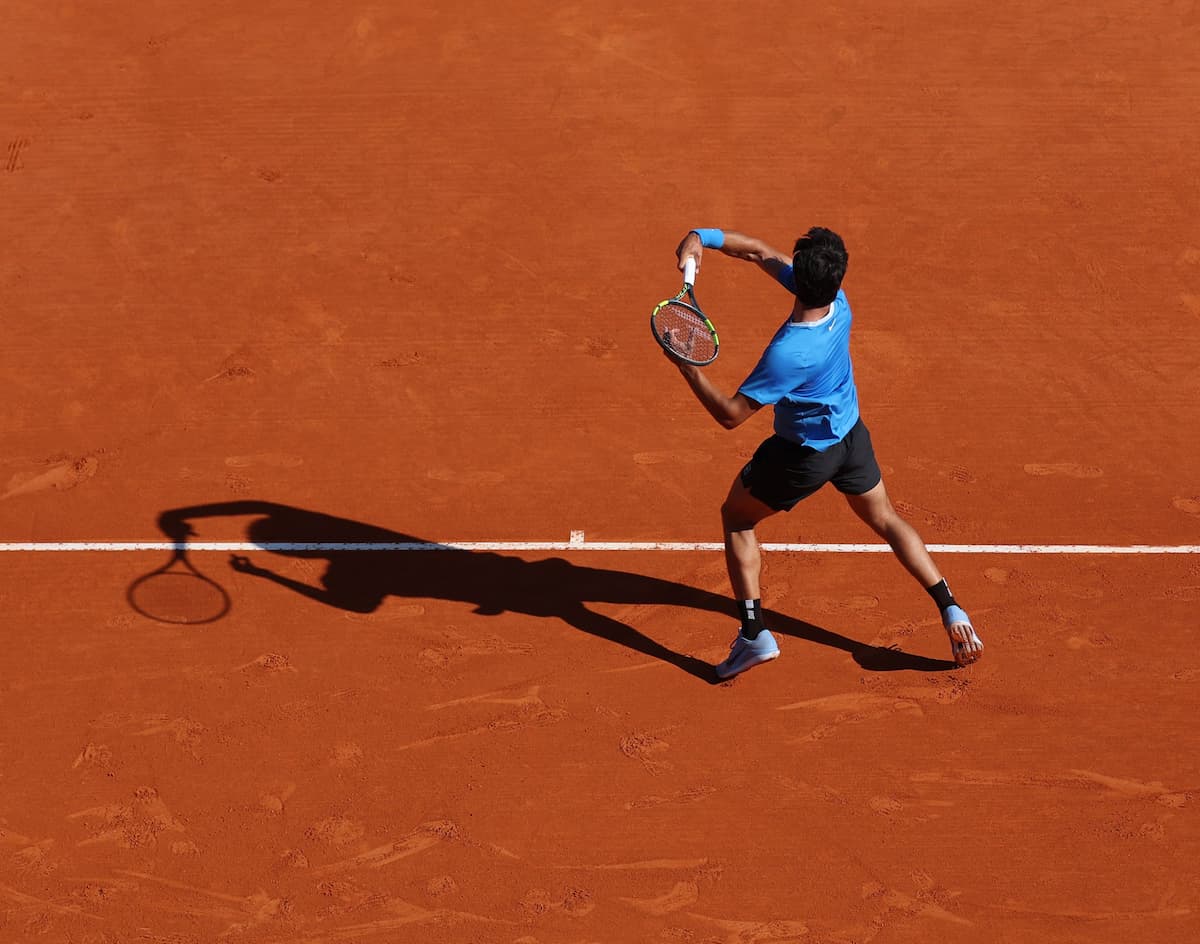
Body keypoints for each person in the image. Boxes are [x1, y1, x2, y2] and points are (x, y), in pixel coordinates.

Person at [665, 226, 984, 679]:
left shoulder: (790, 353)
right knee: (887, 519)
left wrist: (687, 366)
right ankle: (951, 608)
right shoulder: (840, 301)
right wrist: (704, 237)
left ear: (801, 276)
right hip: (851, 439)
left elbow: (731, 415)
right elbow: (757, 252)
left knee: (736, 516)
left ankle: (755, 634)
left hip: (802, 457)